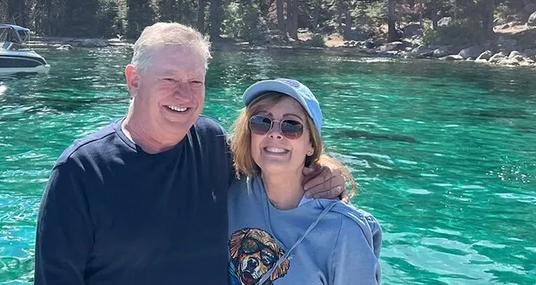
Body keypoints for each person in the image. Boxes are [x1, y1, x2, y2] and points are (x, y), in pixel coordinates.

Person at [34, 23, 347, 285]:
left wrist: (321, 167)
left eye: (195, 81)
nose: (183, 95)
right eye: (169, 79)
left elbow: (272, 166)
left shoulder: (211, 144)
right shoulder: (81, 172)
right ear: (134, 80)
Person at [227, 78, 381, 285]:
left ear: (311, 144)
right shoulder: (231, 187)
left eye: (291, 126)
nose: (275, 134)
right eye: (262, 122)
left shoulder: (344, 231)